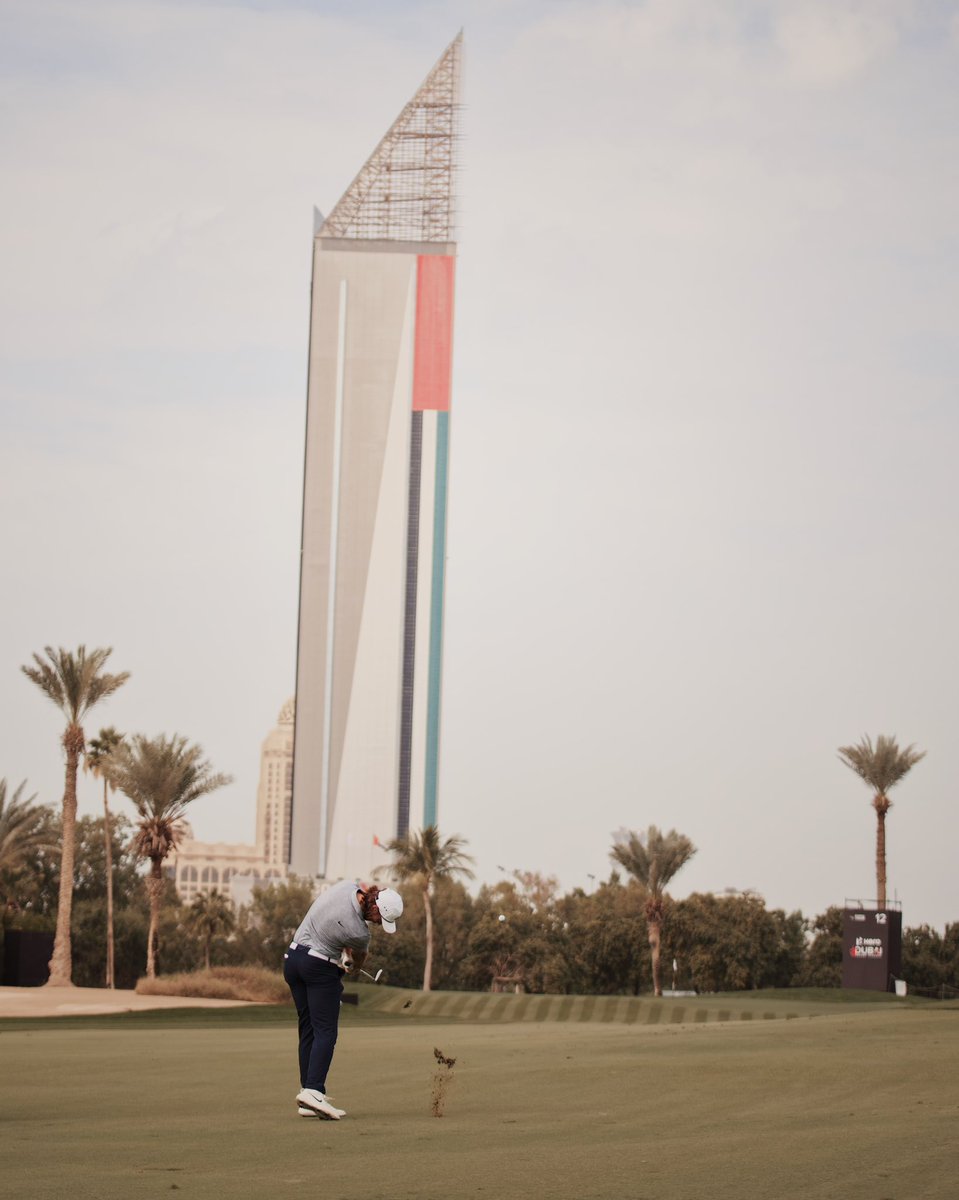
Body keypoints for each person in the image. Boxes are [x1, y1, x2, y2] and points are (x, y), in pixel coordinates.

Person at [283, 880, 404, 1120]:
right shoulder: (360, 933)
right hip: (318, 969)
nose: (379, 924)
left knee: (308, 1029)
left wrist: (341, 954)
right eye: (381, 919)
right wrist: (351, 965)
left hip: (293, 960)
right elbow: (357, 961)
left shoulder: (345, 886)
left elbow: (340, 925)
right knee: (326, 1032)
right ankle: (314, 1090)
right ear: (376, 910)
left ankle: (308, 1095)